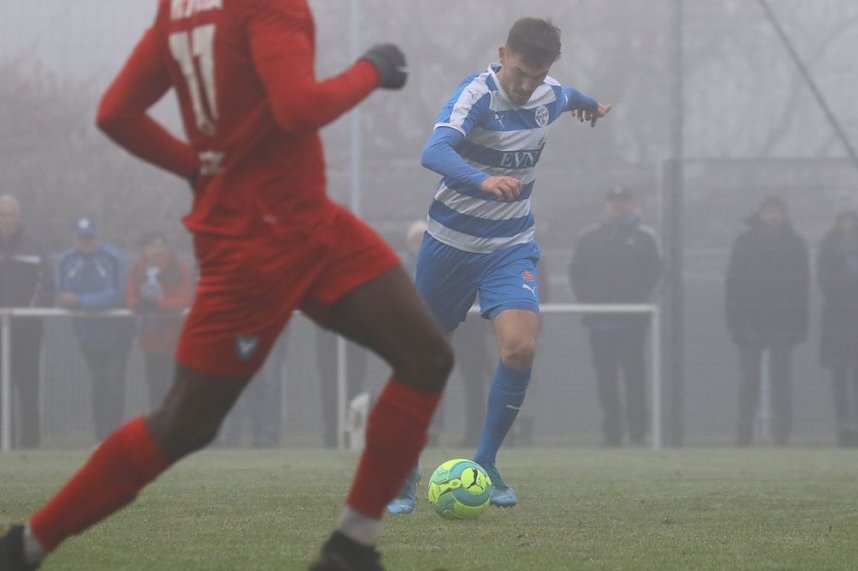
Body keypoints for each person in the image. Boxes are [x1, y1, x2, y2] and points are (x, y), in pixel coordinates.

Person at [0, 2, 452, 571]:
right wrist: (372, 68)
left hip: (308, 221)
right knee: (183, 424)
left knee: (426, 357)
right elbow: (297, 108)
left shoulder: (181, 8)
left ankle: (351, 546)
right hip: (256, 247)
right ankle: (25, 548)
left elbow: (116, 113)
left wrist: (195, 167)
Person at [388, 16, 612, 514]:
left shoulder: (548, 94)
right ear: (502, 54)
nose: (527, 85)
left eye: (538, 74)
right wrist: (481, 180)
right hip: (448, 245)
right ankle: (403, 467)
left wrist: (590, 107)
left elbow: (567, 95)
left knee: (518, 348)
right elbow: (433, 150)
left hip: (510, 246)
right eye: (520, 73)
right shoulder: (475, 95)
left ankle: (486, 462)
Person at [568, 187, 662, 447]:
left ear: (631, 205)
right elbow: (576, 273)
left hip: (633, 323)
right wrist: (588, 304)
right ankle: (612, 435)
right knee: (605, 381)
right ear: (605, 205)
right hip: (599, 323)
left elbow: (658, 273)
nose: (618, 207)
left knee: (635, 379)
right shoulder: (589, 237)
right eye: (613, 202)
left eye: (623, 202)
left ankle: (638, 434)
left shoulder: (645, 237)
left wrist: (640, 301)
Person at [725, 195, 809, 447]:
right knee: (748, 379)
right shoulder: (744, 242)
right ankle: (743, 433)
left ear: (784, 214)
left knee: (781, 380)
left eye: (777, 211)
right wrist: (734, 323)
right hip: (750, 323)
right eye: (768, 211)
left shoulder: (796, 243)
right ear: (760, 213)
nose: (772, 215)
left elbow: (802, 288)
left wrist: (799, 326)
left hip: (783, 324)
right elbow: (733, 285)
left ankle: (782, 433)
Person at [56, 217, 135, 442]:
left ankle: (115, 434)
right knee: (98, 381)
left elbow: (118, 294)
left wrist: (82, 301)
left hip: (118, 332)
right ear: (75, 239)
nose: (86, 242)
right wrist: (77, 301)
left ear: (97, 237)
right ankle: (100, 434)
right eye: (82, 238)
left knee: (114, 380)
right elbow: (63, 295)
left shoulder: (114, 258)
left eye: (90, 237)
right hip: (88, 333)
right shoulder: (66, 260)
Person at [0, 194, 54, 449]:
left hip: (28, 329)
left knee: (28, 384)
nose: (6, 219)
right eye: (2, 214)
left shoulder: (34, 246)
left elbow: (47, 286)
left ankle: (31, 441)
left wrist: (28, 313)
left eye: (11, 214)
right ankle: (5, 440)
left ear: (19, 217)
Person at [126, 230, 195, 409]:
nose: (156, 250)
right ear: (143, 250)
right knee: (155, 385)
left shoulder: (180, 269)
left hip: (175, 339)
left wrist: (156, 304)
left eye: (160, 245)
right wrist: (137, 304)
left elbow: (184, 299)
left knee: (175, 387)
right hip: (150, 340)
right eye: (151, 246)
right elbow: (130, 296)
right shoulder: (137, 269)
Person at [816, 209, 858, 447]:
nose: (848, 226)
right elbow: (825, 280)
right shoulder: (829, 249)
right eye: (844, 221)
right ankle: (843, 431)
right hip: (836, 326)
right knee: (839, 381)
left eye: (851, 222)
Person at [317, 328, 368, 448]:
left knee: (355, 381)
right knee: (329, 380)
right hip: (328, 328)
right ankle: (331, 434)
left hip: (355, 329)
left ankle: (352, 433)